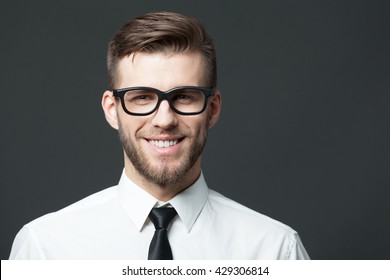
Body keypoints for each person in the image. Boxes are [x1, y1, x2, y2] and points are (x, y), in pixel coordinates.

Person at [9, 11, 309, 260]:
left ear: (212, 109)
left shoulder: (275, 250)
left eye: (184, 97)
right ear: (112, 109)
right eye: (142, 97)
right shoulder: (44, 247)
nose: (164, 120)